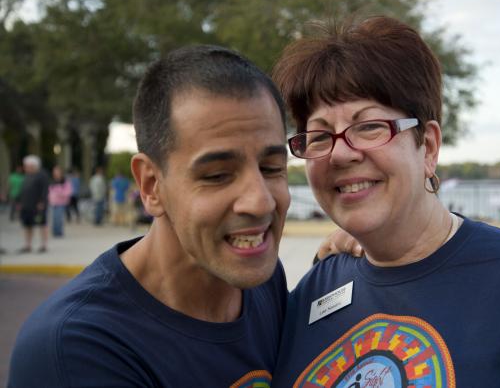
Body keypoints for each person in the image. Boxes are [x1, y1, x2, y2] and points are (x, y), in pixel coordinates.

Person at [271, 16, 500, 387]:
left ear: (427, 146)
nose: (341, 154)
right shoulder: (317, 285)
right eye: (318, 136)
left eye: (369, 127)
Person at [9, 45, 291, 387]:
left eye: (272, 168)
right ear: (151, 185)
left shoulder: (262, 279)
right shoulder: (77, 349)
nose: (260, 203)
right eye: (218, 175)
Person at [17, 155, 49, 253]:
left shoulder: (42, 175)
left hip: (38, 206)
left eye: (27, 166)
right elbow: (23, 190)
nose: (25, 168)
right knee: (27, 225)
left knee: (42, 224)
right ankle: (28, 245)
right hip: (27, 205)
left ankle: (44, 245)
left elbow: (45, 190)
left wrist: (42, 202)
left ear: (34, 166)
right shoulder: (26, 176)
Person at [48, 165, 72, 237]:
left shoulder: (65, 181)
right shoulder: (52, 181)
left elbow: (68, 192)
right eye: (54, 172)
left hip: (61, 202)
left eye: (57, 172)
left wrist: (59, 192)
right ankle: (55, 232)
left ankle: (59, 232)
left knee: (59, 218)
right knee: (53, 218)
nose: (56, 173)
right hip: (52, 202)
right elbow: (49, 191)